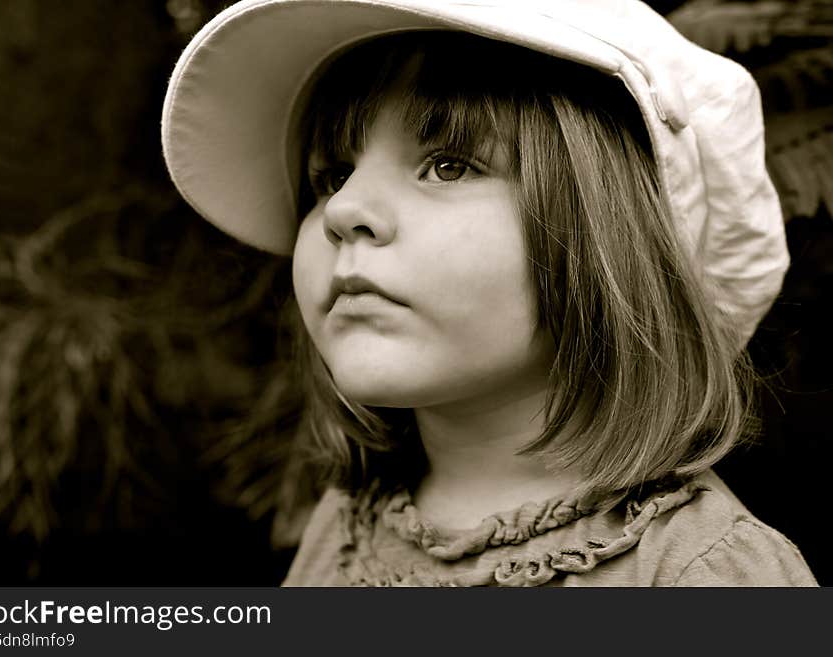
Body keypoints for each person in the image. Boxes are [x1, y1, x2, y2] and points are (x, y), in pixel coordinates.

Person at [161, 0, 818, 586]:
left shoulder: (704, 575)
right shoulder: (344, 528)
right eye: (332, 175)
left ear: (609, 246)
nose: (345, 209)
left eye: (449, 164)